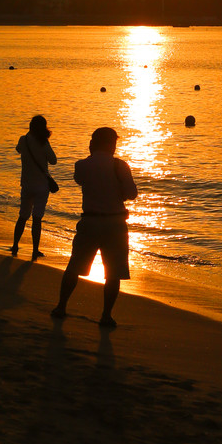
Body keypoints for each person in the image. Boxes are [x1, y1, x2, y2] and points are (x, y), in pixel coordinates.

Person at [51, 126, 137, 328]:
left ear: (92, 143)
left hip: (89, 221)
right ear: (112, 144)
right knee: (113, 272)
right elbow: (131, 194)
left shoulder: (81, 165)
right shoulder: (120, 166)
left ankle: (61, 306)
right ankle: (106, 315)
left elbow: (82, 181)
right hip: (115, 223)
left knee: (74, 267)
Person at [10, 115, 57, 260]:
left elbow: (18, 150)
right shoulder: (43, 142)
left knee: (23, 216)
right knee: (37, 218)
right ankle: (35, 250)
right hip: (42, 187)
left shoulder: (23, 139)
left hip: (27, 184)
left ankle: (15, 245)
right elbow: (53, 161)